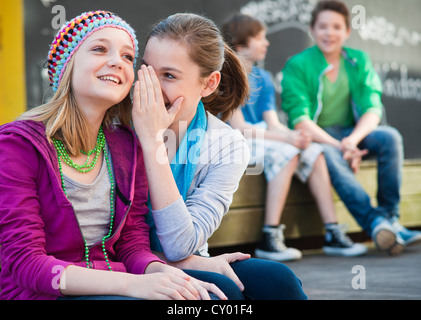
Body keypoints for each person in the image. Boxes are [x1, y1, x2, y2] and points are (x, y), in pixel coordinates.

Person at [0, 10, 227, 300]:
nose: (116, 62)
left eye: (128, 57)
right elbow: (26, 264)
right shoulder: (17, 144)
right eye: (99, 49)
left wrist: (159, 271)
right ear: (67, 64)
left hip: (116, 283)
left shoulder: (125, 145)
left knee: (217, 295)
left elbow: (132, 245)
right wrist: (133, 284)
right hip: (45, 294)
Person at [131, 13, 307, 300]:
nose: (151, 86)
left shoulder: (226, 145)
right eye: (147, 69)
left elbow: (180, 245)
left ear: (209, 84)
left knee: (279, 282)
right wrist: (151, 140)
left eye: (169, 75)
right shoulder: (118, 124)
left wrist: (189, 261)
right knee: (221, 295)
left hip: (181, 256)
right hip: (120, 264)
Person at [221, 13, 367, 261]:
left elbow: (273, 124)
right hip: (234, 141)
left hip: (262, 136)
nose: (266, 43)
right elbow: (241, 129)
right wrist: (287, 141)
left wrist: (295, 135)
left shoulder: (264, 78)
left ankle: (332, 231)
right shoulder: (226, 76)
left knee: (314, 151)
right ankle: (270, 236)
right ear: (241, 45)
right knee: (288, 152)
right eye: (260, 38)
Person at [280, 0, 421, 255]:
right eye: (322, 26)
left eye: (336, 27)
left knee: (390, 137)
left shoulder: (359, 60)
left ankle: (391, 219)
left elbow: (372, 109)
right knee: (330, 154)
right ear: (312, 29)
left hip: (350, 133)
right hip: (318, 137)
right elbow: (300, 120)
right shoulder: (297, 64)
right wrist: (340, 145)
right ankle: (376, 223)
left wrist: (352, 141)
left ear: (347, 31)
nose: (329, 33)